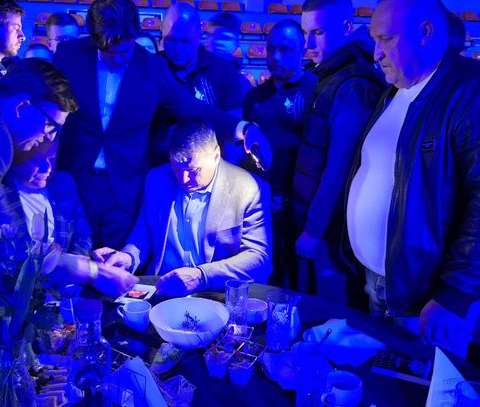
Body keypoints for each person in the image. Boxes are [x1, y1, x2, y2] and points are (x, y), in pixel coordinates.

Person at [53, 0, 271, 249]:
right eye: (108, 53)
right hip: (73, 182)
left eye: (124, 52)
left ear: (135, 36)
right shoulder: (68, 56)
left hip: (125, 191)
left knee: (118, 264)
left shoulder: (152, 68)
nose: (117, 60)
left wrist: (243, 128)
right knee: (69, 264)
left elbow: (192, 108)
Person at [345, 0, 480, 349]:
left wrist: (455, 293)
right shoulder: (395, 90)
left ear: (425, 32)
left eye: (387, 39)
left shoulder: (470, 90)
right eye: (374, 40)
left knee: (424, 381)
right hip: (382, 282)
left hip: (429, 299)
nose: (376, 53)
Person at [0, 58, 137, 297]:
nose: (50, 139)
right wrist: (90, 270)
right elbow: (5, 241)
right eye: (51, 125)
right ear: (21, 107)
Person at [93, 119, 272, 297]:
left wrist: (201, 276)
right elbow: (144, 233)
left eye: (194, 170)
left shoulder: (249, 188)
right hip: (162, 291)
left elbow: (259, 258)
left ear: (216, 156)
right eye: (176, 167)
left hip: (215, 295)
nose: (184, 179)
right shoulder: (157, 179)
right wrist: (128, 257)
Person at [295, 0, 386, 305]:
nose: (308, 44)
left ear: (347, 27)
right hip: (326, 227)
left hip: (336, 233)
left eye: (318, 33)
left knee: (335, 314)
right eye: (305, 33)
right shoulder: (332, 76)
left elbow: (340, 169)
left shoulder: (354, 85)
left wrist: (314, 229)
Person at [243, 19, 316, 289]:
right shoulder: (254, 98)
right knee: (265, 279)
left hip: (302, 208)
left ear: (302, 51)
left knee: (301, 284)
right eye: (271, 48)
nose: (275, 56)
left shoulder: (315, 91)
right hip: (263, 205)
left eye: (284, 49)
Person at [150, 3, 251, 165]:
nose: (177, 49)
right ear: (161, 37)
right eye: (171, 40)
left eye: (185, 41)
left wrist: (226, 174)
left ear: (199, 37)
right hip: (157, 169)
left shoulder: (224, 71)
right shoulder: (151, 67)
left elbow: (231, 133)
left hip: (207, 171)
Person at [6, 138, 93, 256]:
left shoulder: (63, 183)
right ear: (17, 159)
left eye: (52, 159)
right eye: (38, 160)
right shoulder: (1, 192)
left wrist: (72, 261)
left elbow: (83, 235)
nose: (48, 168)